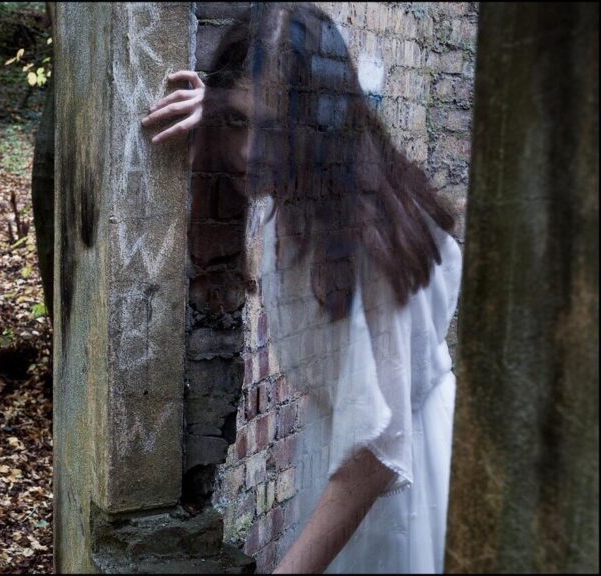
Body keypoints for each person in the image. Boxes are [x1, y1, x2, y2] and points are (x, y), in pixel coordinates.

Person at [144, 4, 462, 573]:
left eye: (273, 129)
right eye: (236, 122)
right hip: (342, 462)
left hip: (393, 491)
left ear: (321, 126)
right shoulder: (325, 183)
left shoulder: (363, 234)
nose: (247, 152)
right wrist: (219, 112)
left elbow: (377, 455)